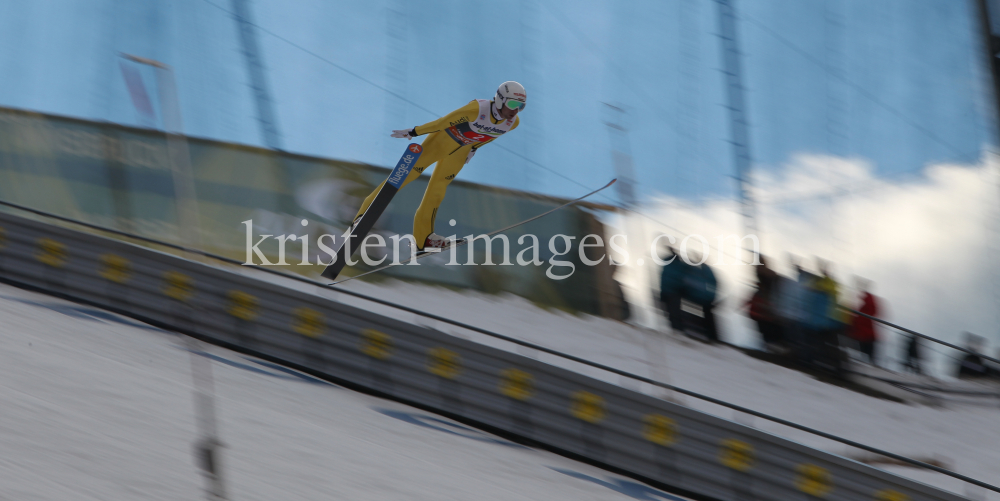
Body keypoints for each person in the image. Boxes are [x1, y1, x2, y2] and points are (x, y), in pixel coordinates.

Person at [353, 82, 525, 251]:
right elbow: (442, 123)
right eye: (512, 104)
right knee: (406, 175)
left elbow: (491, 135)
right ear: (500, 99)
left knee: (437, 191)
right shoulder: (477, 110)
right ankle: (364, 215)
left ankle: (423, 238)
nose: (515, 110)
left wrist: (474, 148)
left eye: (520, 106)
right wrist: (414, 131)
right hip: (442, 141)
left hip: (461, 151)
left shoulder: (512, 123)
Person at [682, 252, 719, 342]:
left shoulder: (704, 269)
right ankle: (708, 335)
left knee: (708, 316)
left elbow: (713, 283)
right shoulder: (692, 269)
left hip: (703, 297)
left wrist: (711, 296)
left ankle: (712, 336)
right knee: (706, 316)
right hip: (696, 296)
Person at [849, 278, 879, 365]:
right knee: (869, 358)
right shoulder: (869, 303)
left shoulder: (867, 304)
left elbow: (862, 319)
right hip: (867, 335)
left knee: (866, 356)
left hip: (865, 335)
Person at [659, 245, 688, 332]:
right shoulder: (677, 265)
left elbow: (664, 279)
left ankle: (677, 328)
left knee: (672, 312)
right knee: (674, 311)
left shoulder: (670, 265)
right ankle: (677, 328)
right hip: (673, 291)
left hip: (671, 291)